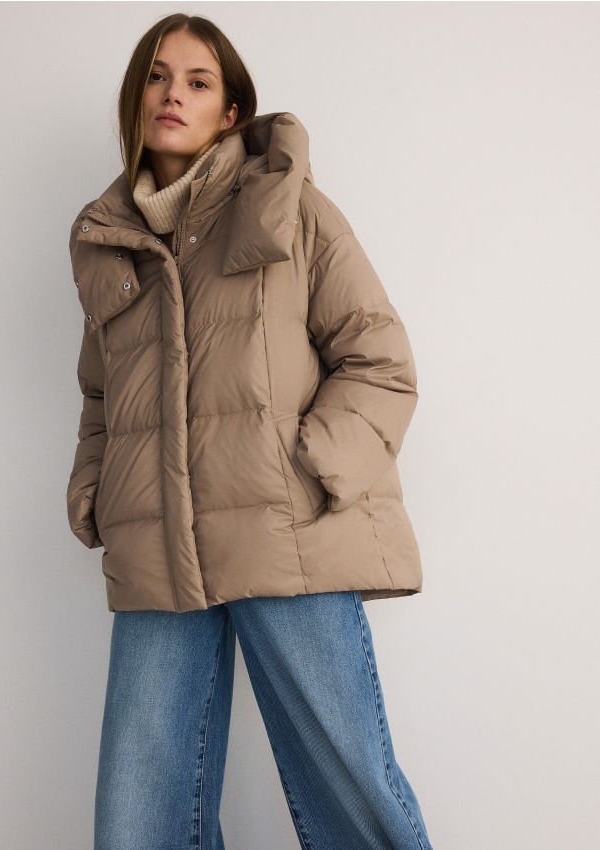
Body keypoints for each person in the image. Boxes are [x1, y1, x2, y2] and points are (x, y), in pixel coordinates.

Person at [66, 12, 435, 850]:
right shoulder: (107, 242)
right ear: (135, 97)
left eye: (197, 82)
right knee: (135, 821)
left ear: (229, 111)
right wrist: (96, 490)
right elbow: (100, 395)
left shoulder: (290, 207)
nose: (173, 94)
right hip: (157, 546)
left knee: (352, 796)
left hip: (286, 537)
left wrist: (308, 469)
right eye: (158, 76)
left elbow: (379, 360)